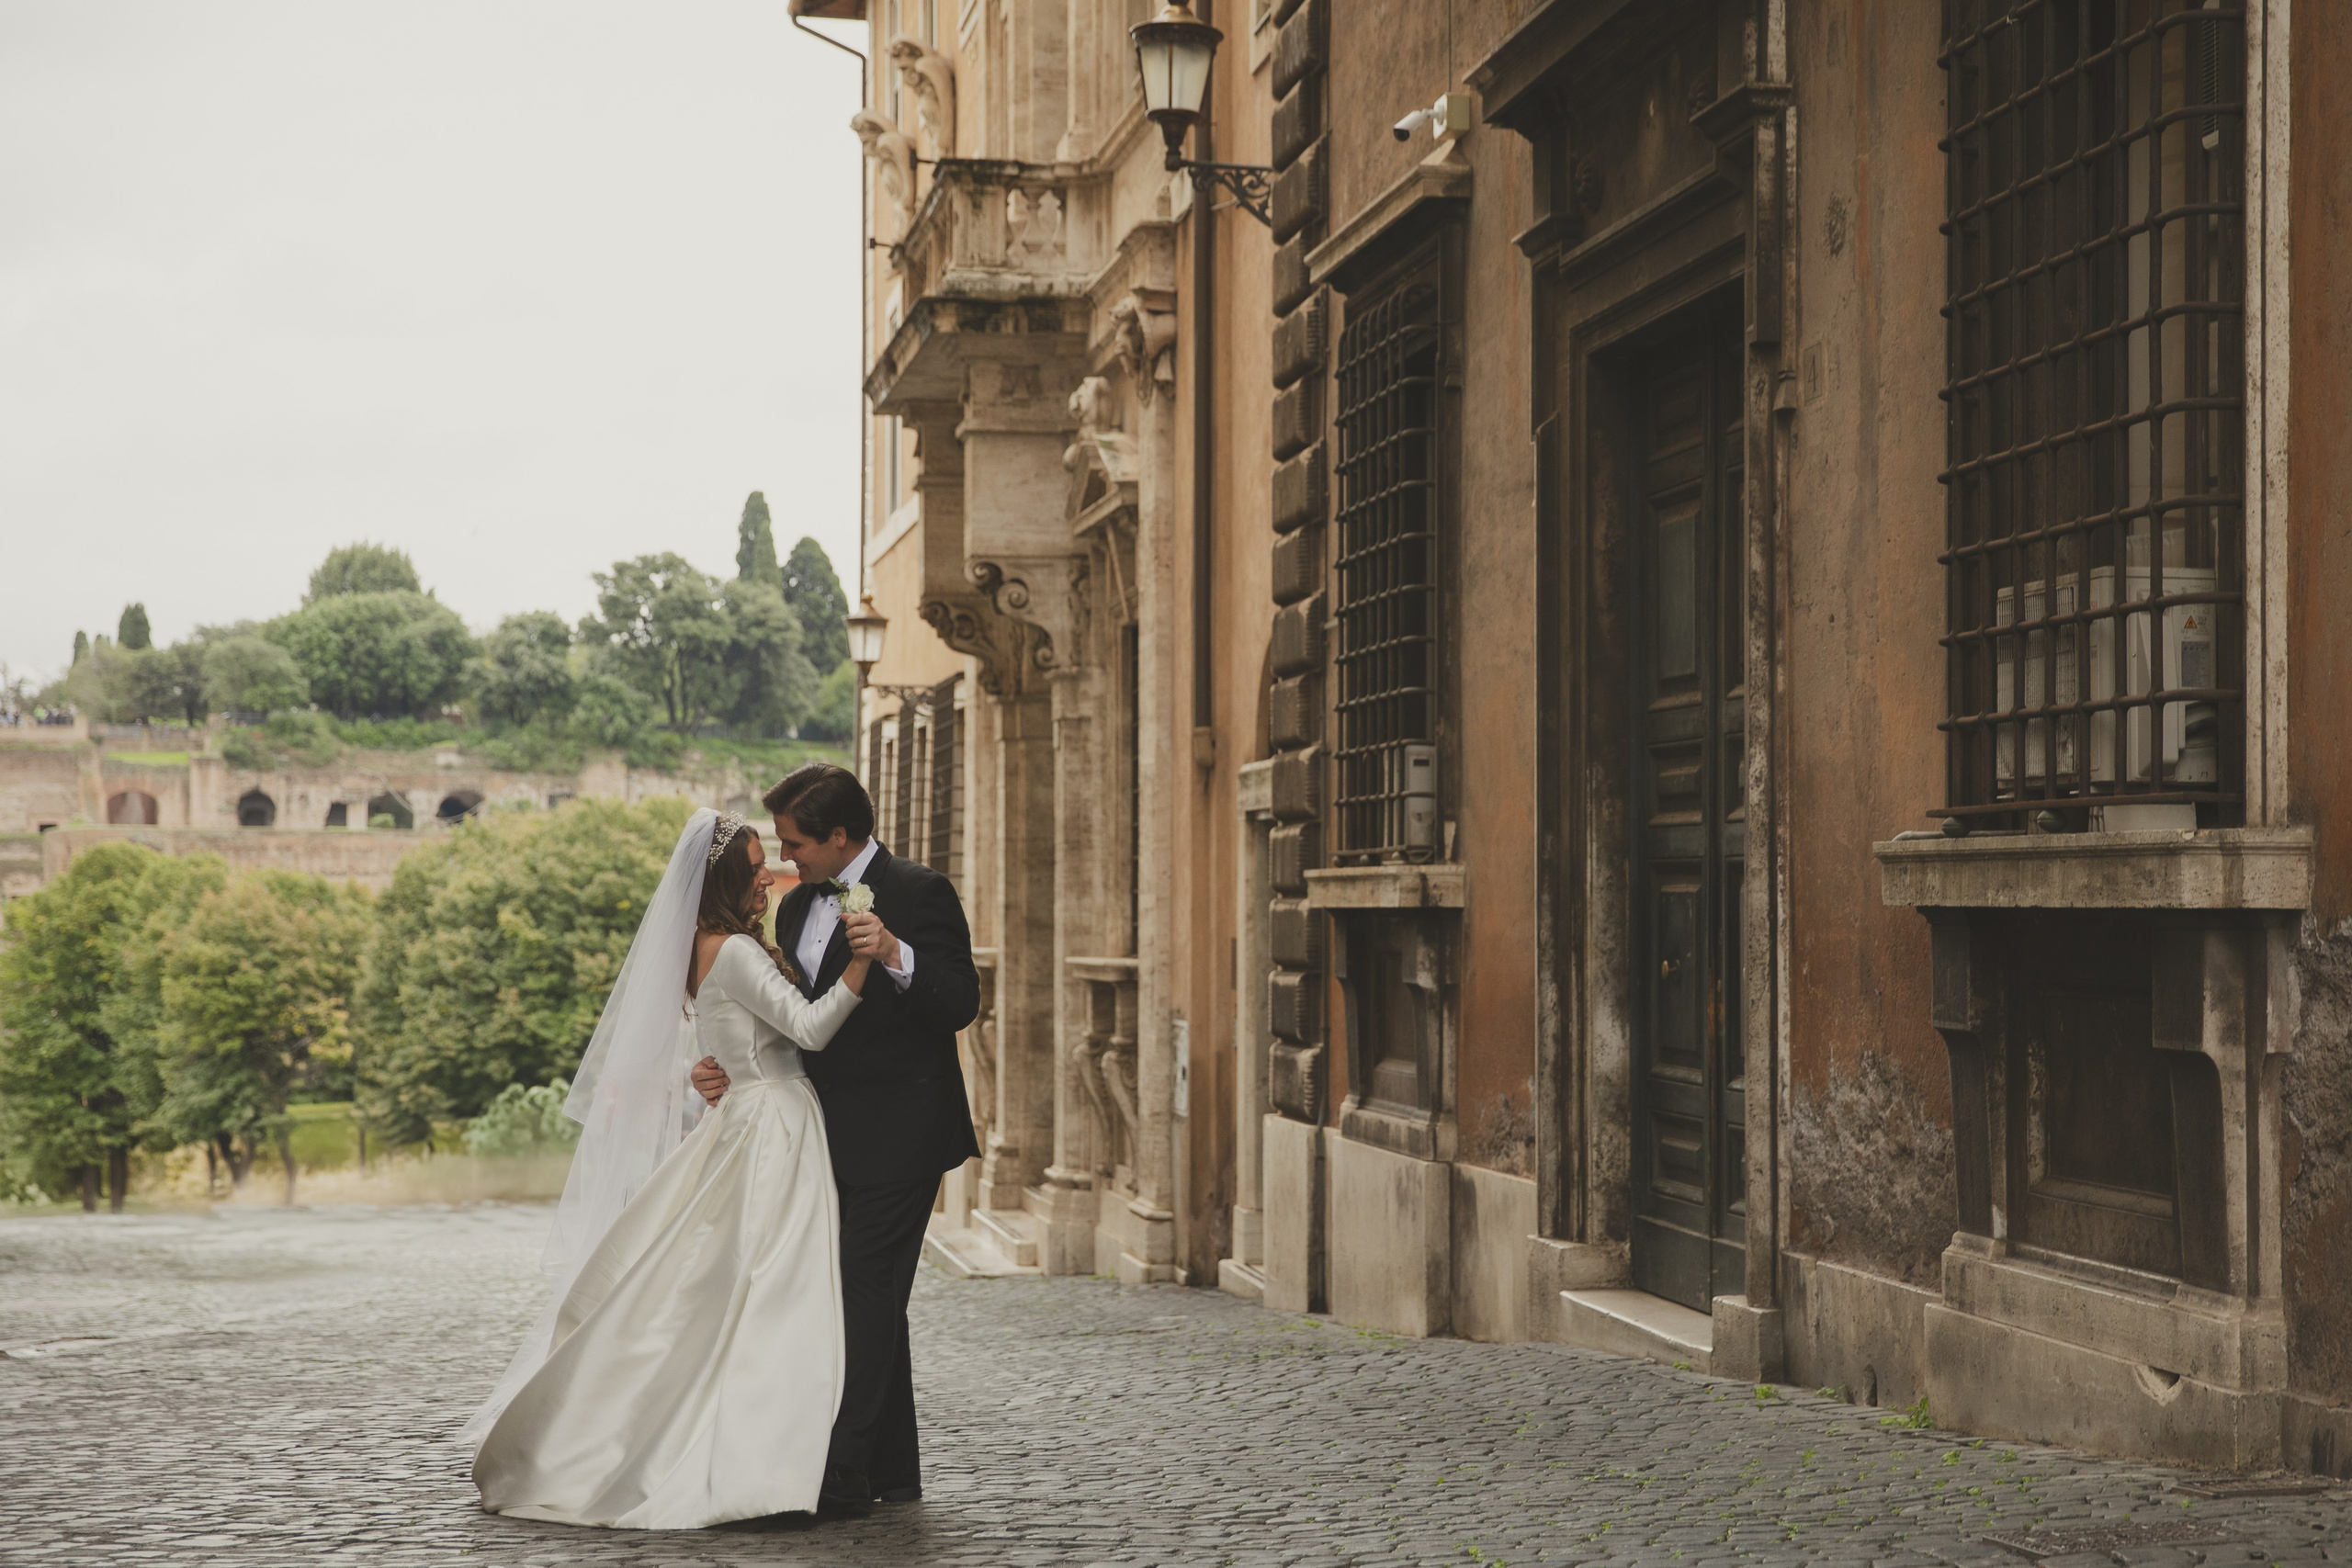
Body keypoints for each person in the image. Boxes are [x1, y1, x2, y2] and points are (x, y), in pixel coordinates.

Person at [466, 807, 886, 1529]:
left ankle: (774, 1456)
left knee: (725, 1292)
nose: (766, 875)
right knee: (777, 1296)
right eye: (753, 866)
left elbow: (723, 1033)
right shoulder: (740, 952)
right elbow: (811, 1028)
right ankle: (760, 1466)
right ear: (723, 880)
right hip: (775, 1127)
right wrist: (861, 960)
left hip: (749, 1117)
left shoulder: (703, 945)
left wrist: (709, 1069)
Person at [690, 761, 981, 1517]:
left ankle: (841, 1469)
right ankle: (896, 1469)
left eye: (795, 845)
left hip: (905, 1135)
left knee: (861, 1285)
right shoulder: (793, 913)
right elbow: (790, 1024)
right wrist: (724, 1069)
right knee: (868, 1294)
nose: (789, 861)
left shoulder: (920, 892)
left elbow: (960, 1001)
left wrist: (892, 953)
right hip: (820, 1139)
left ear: (841, 835)